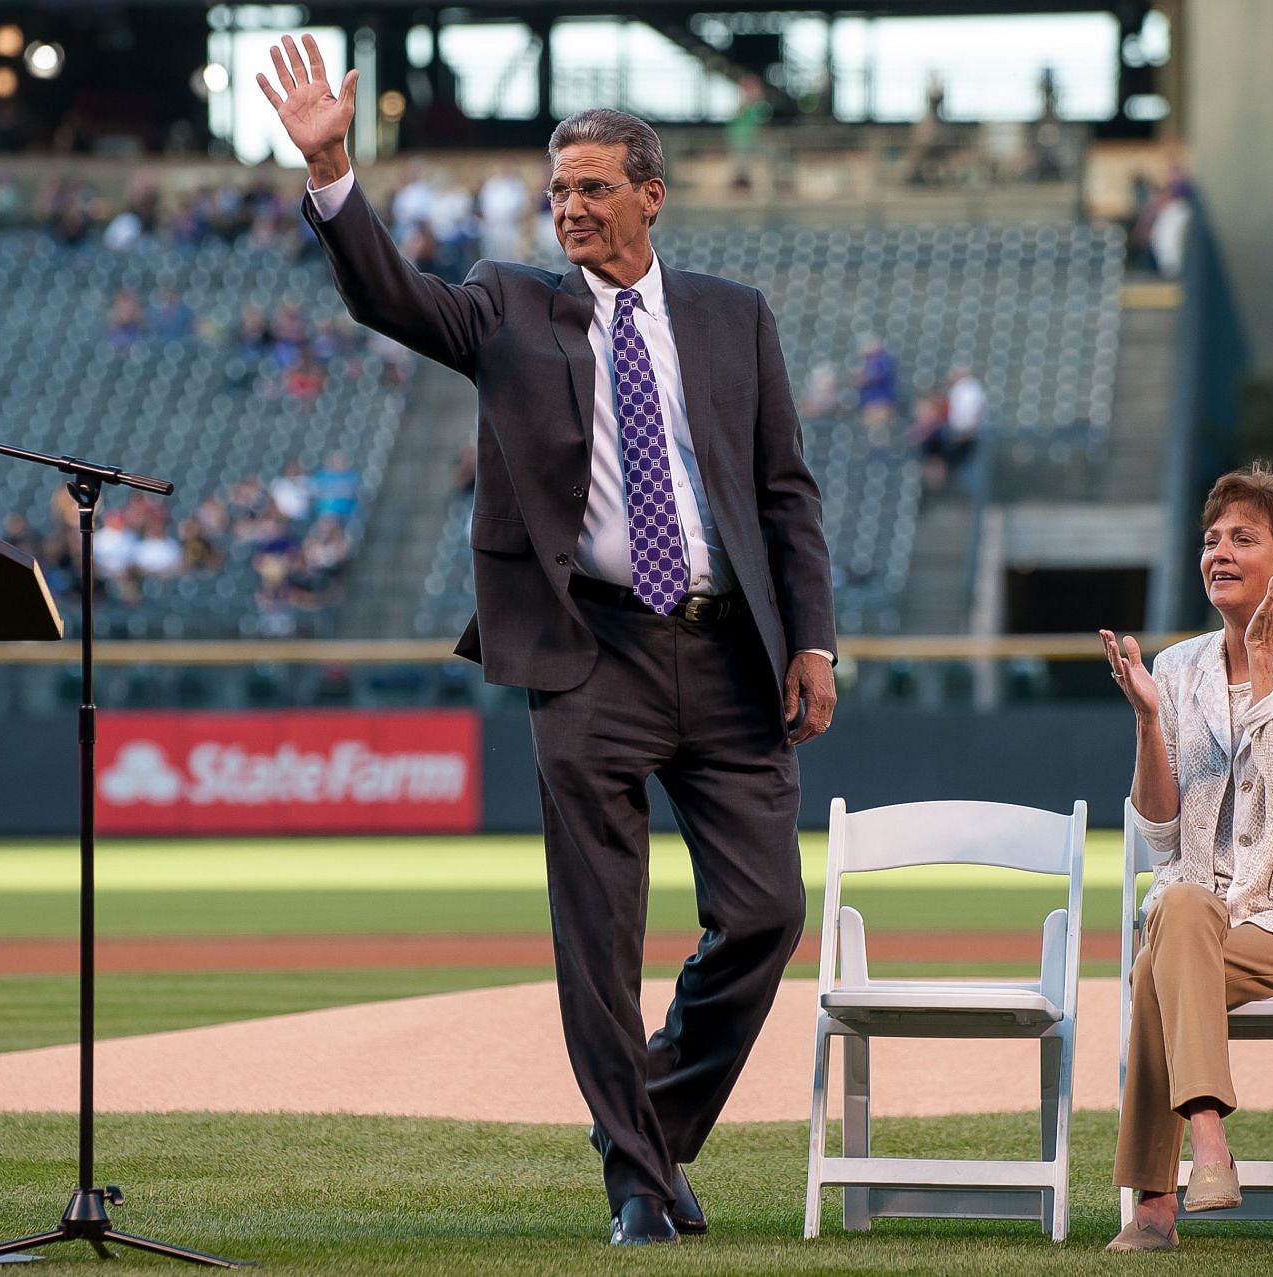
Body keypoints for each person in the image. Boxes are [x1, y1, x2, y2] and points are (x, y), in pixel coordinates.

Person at [258, 34, 837, 1246]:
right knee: (600, 932)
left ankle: (652, 1124)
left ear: (650, 194)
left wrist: (814, 640)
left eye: (592, 188)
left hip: (731, 653)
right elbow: (388, 297)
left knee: (769, 910)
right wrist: (333, 175)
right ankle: (636, 1180)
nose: (569, 207)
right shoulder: (509, 305)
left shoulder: (734, 319)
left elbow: (787, 494)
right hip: (590, 654)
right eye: (557, 189)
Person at [1099, 464, 1273, 1253]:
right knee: (1175, 908)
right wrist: (1151, 725)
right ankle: (1210, 1144)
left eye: (1243, 538)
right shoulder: (1179, 668)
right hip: (1207, 923)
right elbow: (1161, 834)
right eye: (1212, 538)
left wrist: (1262, 658)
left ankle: (1154, 1208)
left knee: (1156, 961)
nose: (1218, 551)